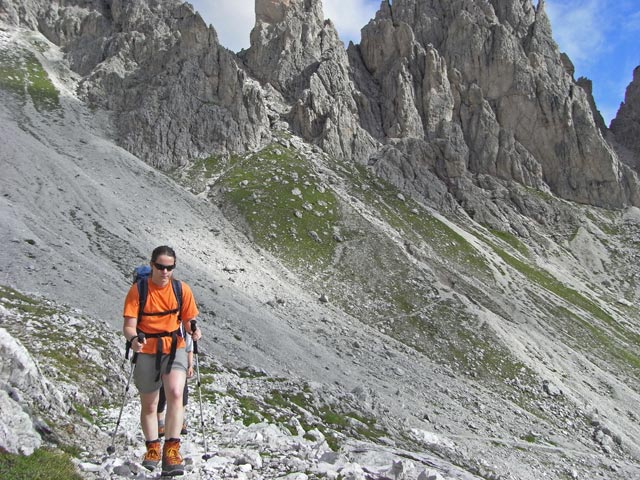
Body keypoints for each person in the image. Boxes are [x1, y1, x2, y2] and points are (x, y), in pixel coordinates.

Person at [122, 245, 201, 476]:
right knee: (150, 404)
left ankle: (172, 450)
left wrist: (194, 330)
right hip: (147, 349)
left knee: (176, 393)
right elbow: (128, 325)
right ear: (152, 265)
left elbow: (188, 319)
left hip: (174, 346)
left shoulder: (181, 289)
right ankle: (152, 448)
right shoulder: (138, 290)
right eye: (160, 267)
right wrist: (134, 339)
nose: (165, 272)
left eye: (170, 268)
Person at [158, 328, 193, 437]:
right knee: (162, 391)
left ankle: (179, 420)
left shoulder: (186, 328)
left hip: (180, 361)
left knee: (181, 392)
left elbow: (189, 348)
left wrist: (190, 365)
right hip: (162, 357)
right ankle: (160, 422)